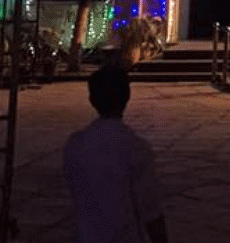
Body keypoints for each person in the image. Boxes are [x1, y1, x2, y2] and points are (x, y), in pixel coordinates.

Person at [64, 65, 168, 243]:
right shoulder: (136, 148)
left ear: (92, 100)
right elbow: (151, 210)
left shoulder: (75, 145)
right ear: (127, 97)